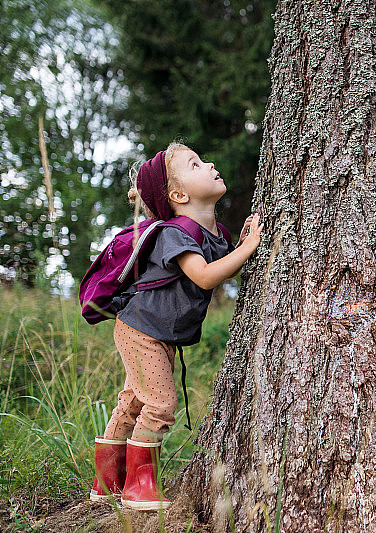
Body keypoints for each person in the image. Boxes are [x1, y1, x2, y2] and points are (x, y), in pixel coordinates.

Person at [88, 142, 263, 510]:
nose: (211, 163)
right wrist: (247, 250)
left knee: (134, 402)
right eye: (196, 164)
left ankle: (106, 482)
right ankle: (139, 488)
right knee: (161, 403)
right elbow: (202, 277)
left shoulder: (216, 234)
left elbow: (220, 263)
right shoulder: (175, 232)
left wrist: (241, 242)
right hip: (141, 330)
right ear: (178, 194)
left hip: (156, 333)